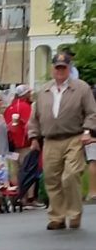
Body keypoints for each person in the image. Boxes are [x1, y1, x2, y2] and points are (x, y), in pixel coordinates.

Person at [27, 51, 96, 230]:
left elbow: (92, 112)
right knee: (51, 178)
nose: (60, 71)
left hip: (74, 137)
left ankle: (74, 214)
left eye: (63, 67)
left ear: (69, 68)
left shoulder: (81, 88)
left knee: (71, 175)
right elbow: (34, 117)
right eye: (57, 67)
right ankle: (57, 216)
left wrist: (88, 131)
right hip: (50, 139)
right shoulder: (44, 91)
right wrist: (34, 136)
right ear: (52, 68)